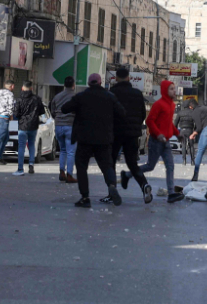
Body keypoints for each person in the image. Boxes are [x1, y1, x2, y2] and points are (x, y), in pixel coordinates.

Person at [62, 73, 129, 208]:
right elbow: (122, 113)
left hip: (84, 138)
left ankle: (85, 197)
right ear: (100, 83)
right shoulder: (109, 97)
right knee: (106, 166)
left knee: (81, 167)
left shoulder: (81, 96)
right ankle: (111, 185)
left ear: (88, 83)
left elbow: (65, 109)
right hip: (104, 139)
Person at [138, 80, 183, 204]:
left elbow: (168, 124)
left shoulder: (171, 105)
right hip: (156, 141)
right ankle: (129, 174)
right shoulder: (159, 104)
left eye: (174, 88)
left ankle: (171, 194)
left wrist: (177, 134)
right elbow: (149, 121)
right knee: (150, 166)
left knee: (170, 166)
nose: (174, 91)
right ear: (165, 91)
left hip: (166, 142)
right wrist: (158, 134)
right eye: (171, 89)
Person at [111, 68, 152, 202]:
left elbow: (108, 113)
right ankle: (144, 185)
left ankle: (112, 192)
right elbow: (142, 114)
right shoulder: (137, 93)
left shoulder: (112, 93)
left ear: (116, 78)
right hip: (132, 134)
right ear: (129, 78)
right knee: (132, 164)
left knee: (111, 162)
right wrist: (135, 127)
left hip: (115, 133)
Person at [13, 81, 45, 176]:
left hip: (22, 125)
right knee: (31, 144)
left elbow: (16, 114)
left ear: (22, 88)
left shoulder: (19, 99)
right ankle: (31, 164)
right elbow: (41, 111)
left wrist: (21, 117)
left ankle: (20, 169)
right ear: (32, 88)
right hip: (33, 125)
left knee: (21, 146)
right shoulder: (37, 99)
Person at [51, 77, 78, 183]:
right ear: (73, 85)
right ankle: (70, 174)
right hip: (70, 126)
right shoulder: (75, 96)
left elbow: (52, 110)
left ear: (64, 85)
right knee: (71, 152)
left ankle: (62, 172)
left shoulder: (57, 96)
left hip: (58, 126)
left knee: (62, 150)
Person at [190, 100, 207, 182]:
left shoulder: (195, 112)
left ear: (191, 107)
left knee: (200, 151)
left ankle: (195, 175)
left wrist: (193, 134)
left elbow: (199, 127)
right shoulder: (205, 108)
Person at [174, 100, 197, 165]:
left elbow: (175, 123)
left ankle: (184, 161)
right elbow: (197, 123)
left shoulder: (180, 113)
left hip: (182, 131)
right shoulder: (193, 112)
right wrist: (195, 130)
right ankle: (192, 161)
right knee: (191, 146)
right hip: (190, 130)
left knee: (183, 145)